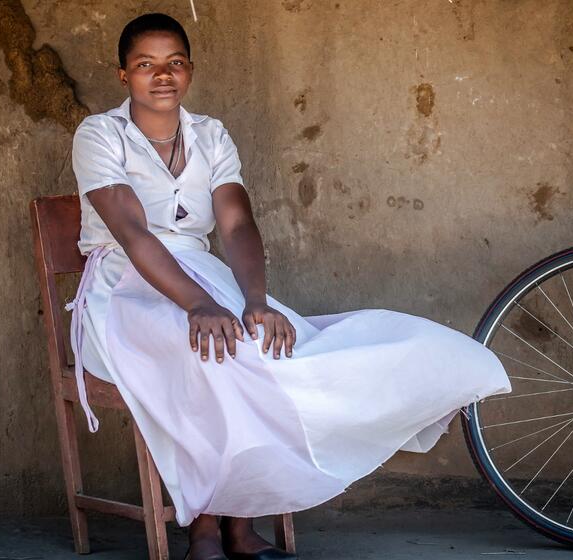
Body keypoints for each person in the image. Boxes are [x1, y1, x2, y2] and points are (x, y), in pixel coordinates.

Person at [69, 12, 511, 560]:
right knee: (211, 351)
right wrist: (199, 306)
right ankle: (206, 530)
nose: (162, 76)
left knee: (266, 345)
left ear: (190, 70)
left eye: (175, 63)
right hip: (124, 289)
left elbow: (234, 224)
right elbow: (133, 232)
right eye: (145, 65)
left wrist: (255, 302)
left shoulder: (211, 134)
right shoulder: (99, 134)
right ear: (123, 76)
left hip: (204, 277)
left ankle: (240, 523)